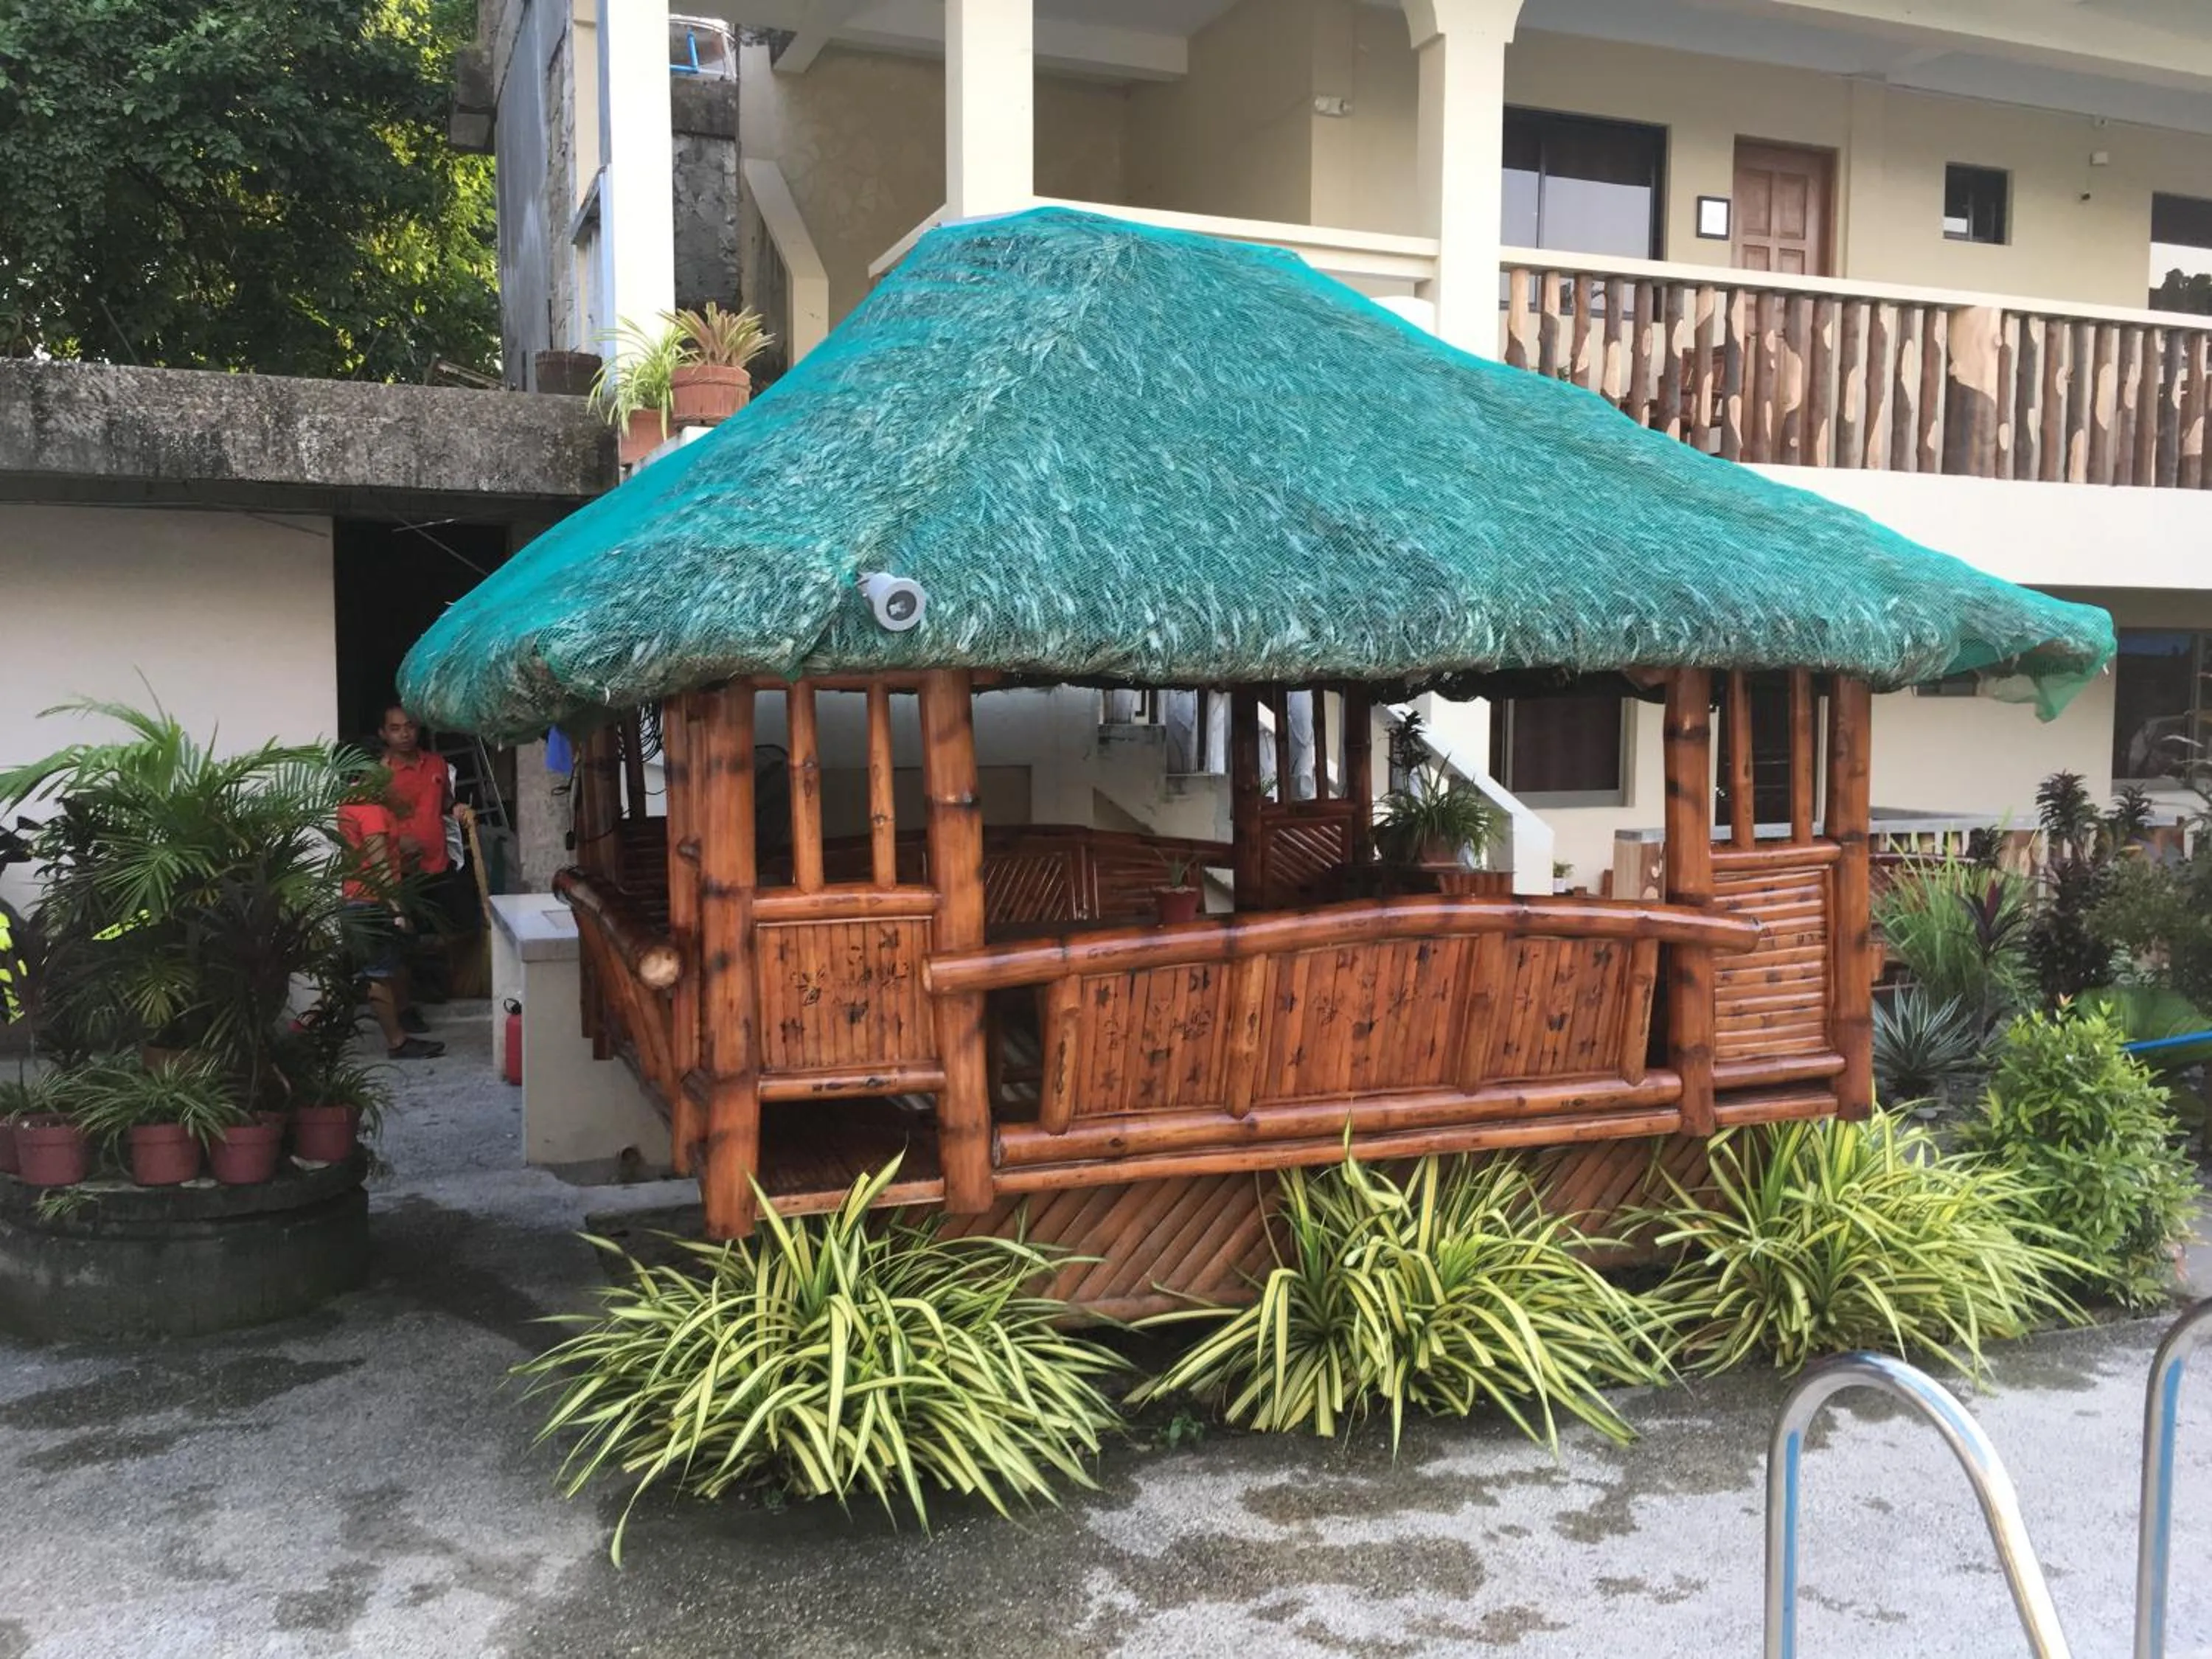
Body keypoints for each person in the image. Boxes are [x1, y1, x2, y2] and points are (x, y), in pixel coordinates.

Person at [335, 780, 445, 1060]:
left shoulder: (348, 806)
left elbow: (365, 848)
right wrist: (396, 908)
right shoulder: (371, 811)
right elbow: (379, 864)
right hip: (372, 901)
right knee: (378, 974)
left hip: (354, 898)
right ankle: (397, 1042)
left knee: (385, 968)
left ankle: (402, 1020)